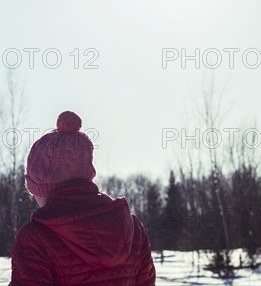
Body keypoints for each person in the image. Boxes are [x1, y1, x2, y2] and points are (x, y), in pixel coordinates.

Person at [10, 111, 156, 286]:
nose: (34, 198)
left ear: (42, 189)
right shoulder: (133, 229)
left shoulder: (34, 237)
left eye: (33, 190)